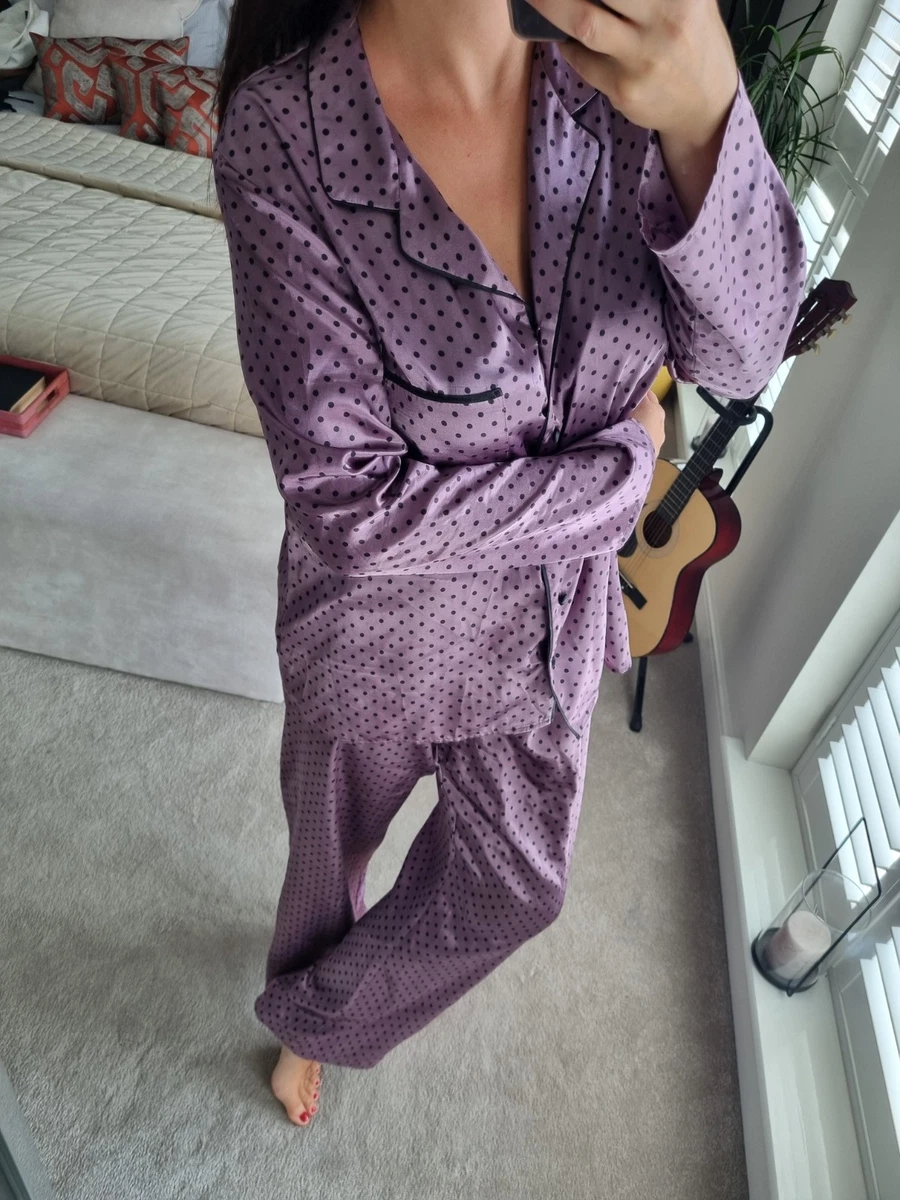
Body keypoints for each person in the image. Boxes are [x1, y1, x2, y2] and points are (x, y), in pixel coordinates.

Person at [213, 0, 806, 1128]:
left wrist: (703, 125)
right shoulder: (285, 131)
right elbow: (349, 505)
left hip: (547, 640)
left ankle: (321, 1014)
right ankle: (302, 1008)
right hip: (371, 649)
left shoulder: (634, 86)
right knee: (329, 860)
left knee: (516, 888)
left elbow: (741, 357)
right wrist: (618, 478)